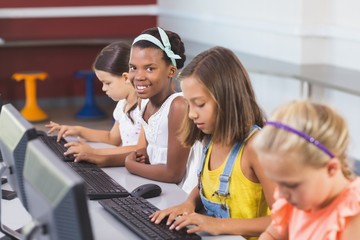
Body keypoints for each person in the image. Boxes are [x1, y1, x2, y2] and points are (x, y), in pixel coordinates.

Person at [150, 46, 276, 239]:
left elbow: (283, 220)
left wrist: (218, 224)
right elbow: (207, 187)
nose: (191, 114)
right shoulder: (210, 137)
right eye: (189, 103)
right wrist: (188, 204)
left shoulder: (256, 148)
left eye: (199, 104)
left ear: (227, 99)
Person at [253, 100, 360, 240]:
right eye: (277, 182)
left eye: (291, 185)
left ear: (331, 168)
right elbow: (271, 235)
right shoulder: (296, 199)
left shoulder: (352, 216)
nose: (280, 194)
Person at [124, 26, 201, 191]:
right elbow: (157, 147)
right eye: (133, 67)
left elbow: (173, 174)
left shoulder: (178, 106)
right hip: (158, 185)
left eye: (150, 68)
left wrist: (130, 165)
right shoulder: (144, 102)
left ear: (171, 71)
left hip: (180, 193)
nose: (139, 76)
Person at [45, 41, 146, 167]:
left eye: (107, 83)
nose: (104, 89)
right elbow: (112, 138)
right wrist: (77, 130)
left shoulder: (147, 107)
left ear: (126, 77)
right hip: (127, 164)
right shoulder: (122, 105)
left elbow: (140, 149)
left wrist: (94, 152)